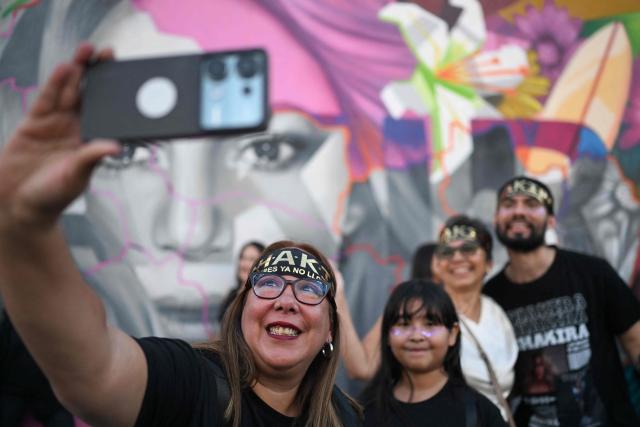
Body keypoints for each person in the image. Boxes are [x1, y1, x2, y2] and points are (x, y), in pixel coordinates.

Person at [0, 45, 360, 427]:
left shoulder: (347, 418)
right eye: (268, 284)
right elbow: (95, 373)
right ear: (240, 313)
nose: (286, 301)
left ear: (330, 331)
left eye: (307, 290)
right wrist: (25, 224)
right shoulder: (190, 383)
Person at [484, 175, 640, 426]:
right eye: (509, 204)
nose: (519, 211)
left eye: (532, 204)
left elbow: (636, 344)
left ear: (551, 221)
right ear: (496, 219)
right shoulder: (490, 298)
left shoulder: (593, 273)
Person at [360, 280, 506, 427]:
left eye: (430, 324)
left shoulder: (480, 412)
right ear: (387, 335)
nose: (417, 336)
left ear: (452, 334)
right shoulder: (363, 412)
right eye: (404, 324)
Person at [432, 215, 518, 424]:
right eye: (447, 252)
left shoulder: (497, 312)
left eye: (469, 249)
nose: (457, 258)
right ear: (437, 264)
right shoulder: (426, 315)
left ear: (489, 263)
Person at [217, 241, 265, 325]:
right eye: (243, 258)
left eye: (252, 259)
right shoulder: (232, 293)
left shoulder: (264, 297)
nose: (245, 264)